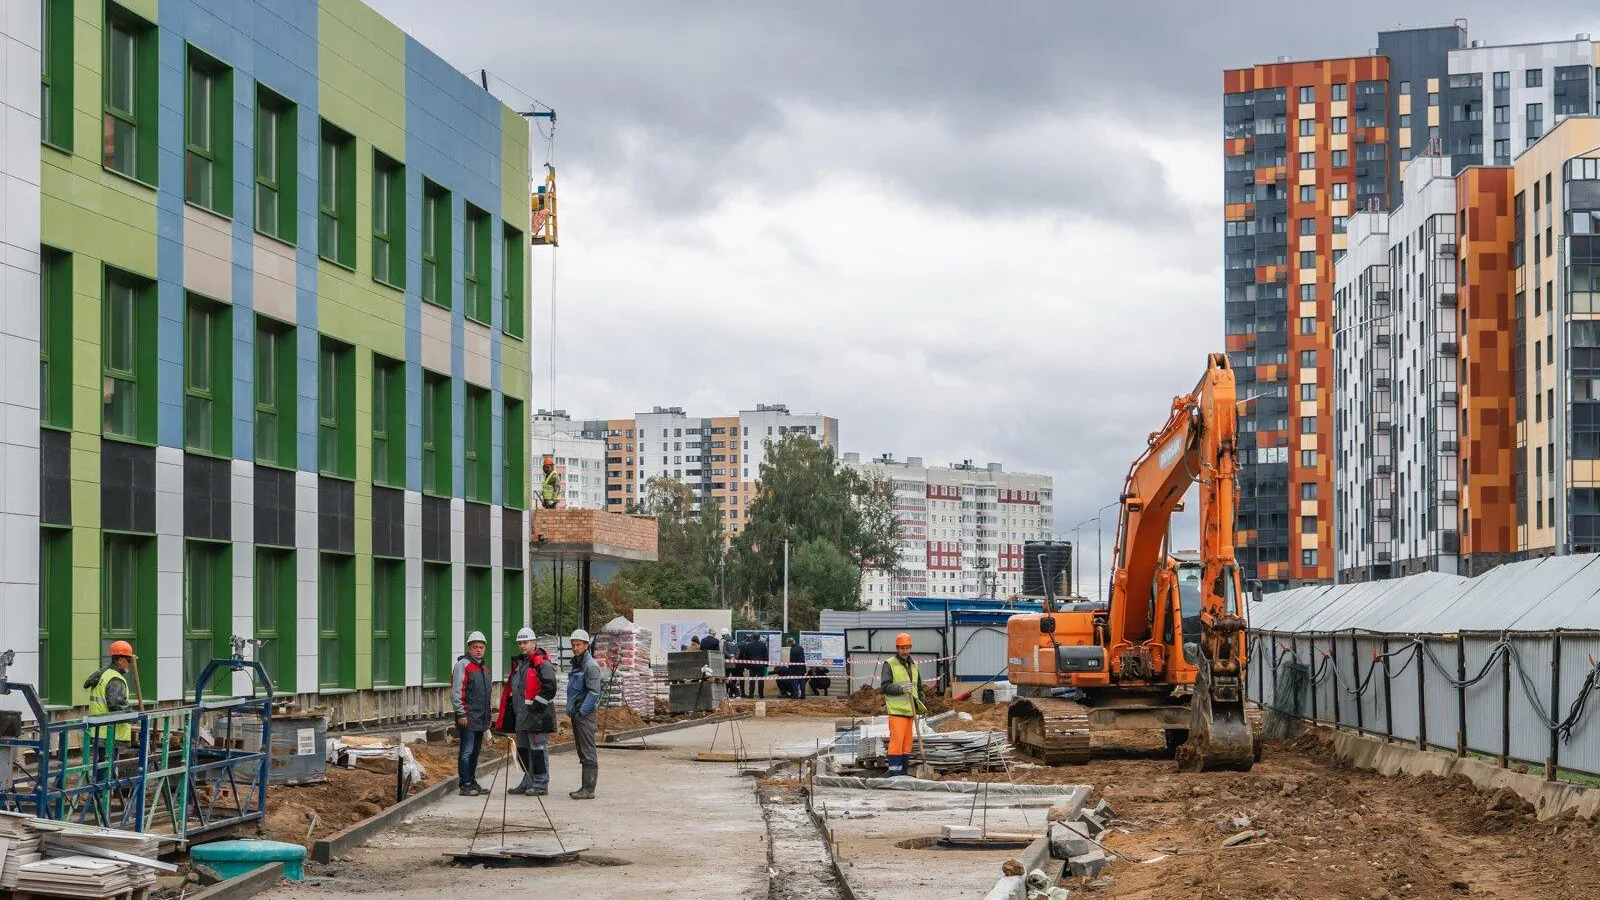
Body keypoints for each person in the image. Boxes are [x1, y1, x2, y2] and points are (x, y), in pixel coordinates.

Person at [497, 628, 559, 795]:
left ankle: (540, 783)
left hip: (536, 717)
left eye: (525, 642)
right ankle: (527, 780)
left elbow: (550, 688)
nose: (522, 645)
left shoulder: (541, 663)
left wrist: (536, 708)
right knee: (523, 750)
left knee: (538, 749)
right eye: (520, 643)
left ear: (533, 643)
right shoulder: (520, 664)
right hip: (521, 716)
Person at [83, 641, 135, 776]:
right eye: (129, 660)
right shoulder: (115, 679)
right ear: (121, 660)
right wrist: (135, 716)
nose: (129, 664)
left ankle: (101, 794)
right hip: (109, 732)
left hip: (99, 729)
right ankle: (101, 795)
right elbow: (116, 706)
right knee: (107, 765)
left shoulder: (102, 674)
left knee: (103, 763)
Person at [450, 631, 492, 796]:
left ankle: (471, 780)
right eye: (475, 647)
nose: (479, 650)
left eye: (481, 647)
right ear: (469, 648)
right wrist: (461, 714)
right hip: (467, 717)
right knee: (466, 751)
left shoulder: (483, 667)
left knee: (475, 752)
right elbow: (457, 691)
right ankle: (465, 783)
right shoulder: (463, 665)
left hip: (480, 718)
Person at [879, 633, 926, 777]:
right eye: (902, 648)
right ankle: (894, 774)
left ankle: (903, 774)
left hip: (910, 711)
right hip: (897, 711)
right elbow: (885, 686)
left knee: (907, 745)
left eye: (907, 648)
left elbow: (918, 687)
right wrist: (901, 689)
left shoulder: (913, 664)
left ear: (910, 647)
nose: (905, 651)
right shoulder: (890, 664)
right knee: (897, 743)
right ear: (897, 648)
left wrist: (921, 703)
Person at [565, 629, 604, 799]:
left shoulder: (590, 666)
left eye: (578, 645)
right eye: (573, 645)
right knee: (582, 750)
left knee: (588, 750)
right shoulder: (578, 664)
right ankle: (585, 787)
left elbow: (594, 693)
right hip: (578, 714)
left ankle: (588, 789)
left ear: (586, 645)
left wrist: (581, 712)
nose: (575, 648)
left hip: (584, 715)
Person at [741, 634, 767, 699]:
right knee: (761, 681)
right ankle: (761, 695)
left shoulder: (748, 645)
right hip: (761, 665)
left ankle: (751, 694)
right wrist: (766, 664)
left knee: (752, 680)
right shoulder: (763, 645)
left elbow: (745, 656)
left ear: (752, 637)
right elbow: (765, 655)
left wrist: (746, 665)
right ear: (759, 638)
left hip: (752, 665)